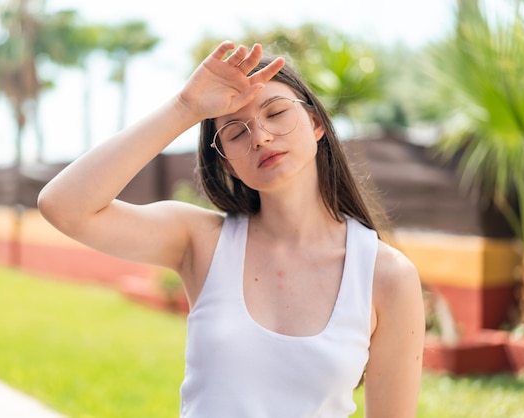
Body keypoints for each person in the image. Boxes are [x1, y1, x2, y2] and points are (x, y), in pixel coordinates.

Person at [38, 41, 425, 418]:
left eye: (275, 113)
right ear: (226, 165)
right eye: (236, 133)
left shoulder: (386, 276)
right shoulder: (201, 241)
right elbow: (64, 206)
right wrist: (184, 107)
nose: (260, 136)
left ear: (316, 123)